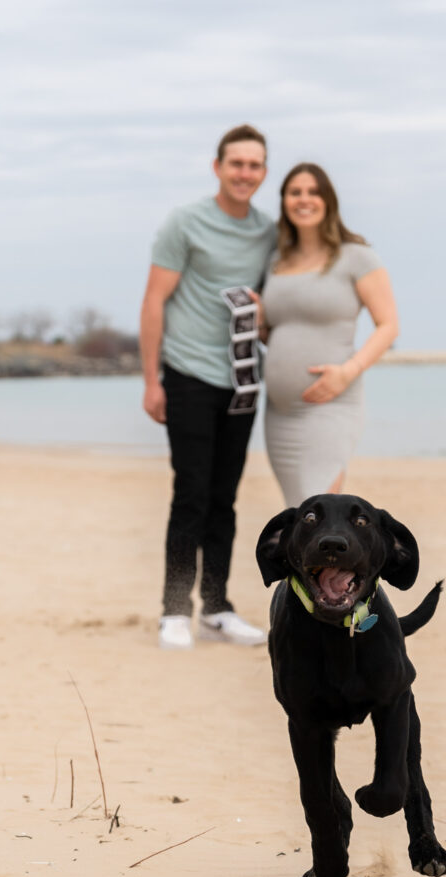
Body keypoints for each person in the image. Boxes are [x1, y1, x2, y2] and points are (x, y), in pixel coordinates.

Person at [140, 125, 276, 651]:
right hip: (189, 373)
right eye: (236, 163)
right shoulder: (186, 222)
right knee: (191, 494)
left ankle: (217, 608)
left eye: (254, 164)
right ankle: (175, 609)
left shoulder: (267, 232)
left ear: (264, 172)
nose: (245, 172)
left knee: (225, 499)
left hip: (242, 381)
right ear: (218, 167)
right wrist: (151, 380)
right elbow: (154, 300)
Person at [261, 163, 399, 506]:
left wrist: (348, 372)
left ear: (328, 200)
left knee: (319, 509)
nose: (304, 199)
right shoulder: (276, 260)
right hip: (279, 413)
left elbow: (388, 325)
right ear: (284, 201)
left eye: (313, 192)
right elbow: (280, 331)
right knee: (298, 514)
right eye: (295, 192)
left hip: (330, 405)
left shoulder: (357, 257)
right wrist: (259, 320)